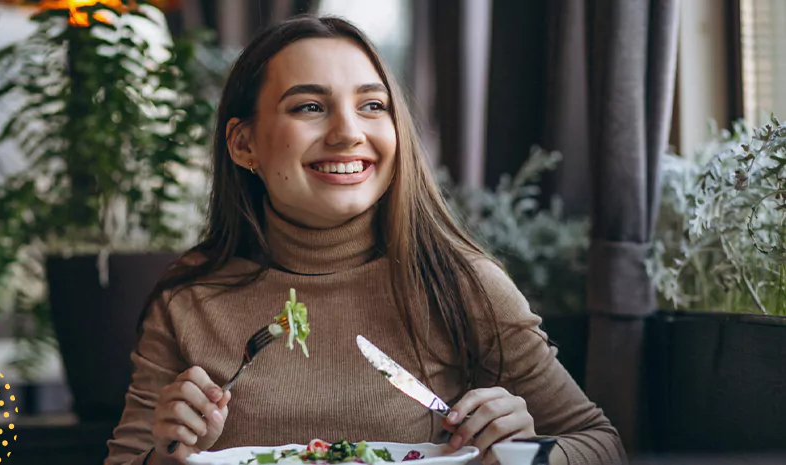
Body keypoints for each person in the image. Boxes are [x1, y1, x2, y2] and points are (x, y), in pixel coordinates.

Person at [105, 14, 626, 465]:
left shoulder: (460, 283)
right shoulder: (188, 298)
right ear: (244, 144)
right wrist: (169, 453)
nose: (348, 132)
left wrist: (524, 452)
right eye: (309, 107)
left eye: (372, 106)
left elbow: (602, 446)